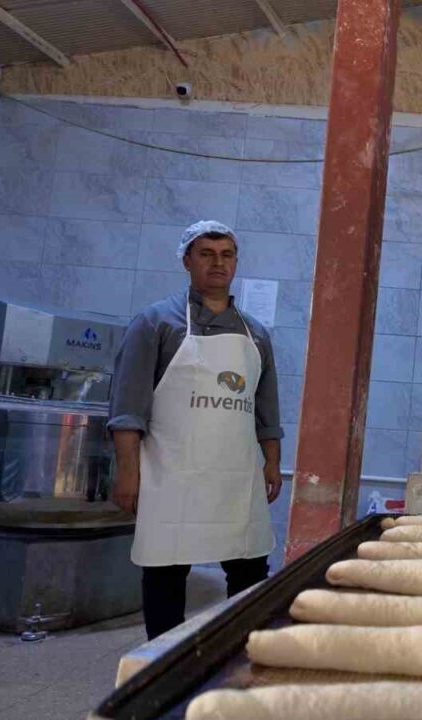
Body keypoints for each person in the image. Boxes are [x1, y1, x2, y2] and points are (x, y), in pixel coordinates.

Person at [109, 220, 284, 639]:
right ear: (187, 261)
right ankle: (163, 659)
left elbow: (267, 410)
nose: (217, 263)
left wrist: (273, 462)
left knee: (249, 568)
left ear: (236, 262)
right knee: (166, 572)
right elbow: (128, 408)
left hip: (235, 478)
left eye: (226, 255)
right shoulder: (155, 323)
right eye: (206, 254)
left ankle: (239, 650)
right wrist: (128, 472)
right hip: (171, 476)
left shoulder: (256, 334)